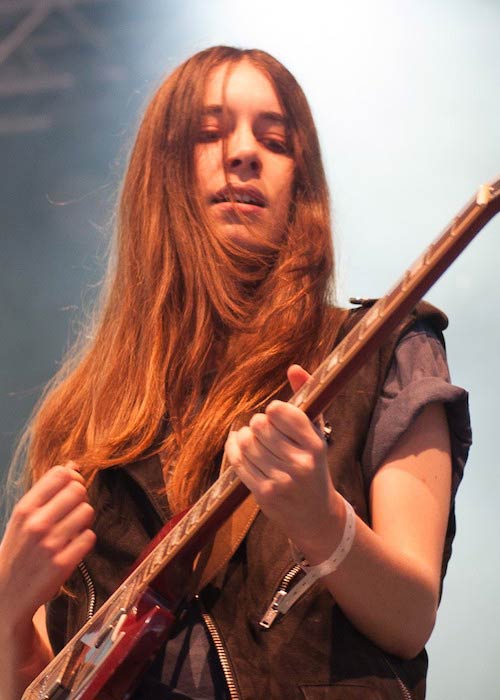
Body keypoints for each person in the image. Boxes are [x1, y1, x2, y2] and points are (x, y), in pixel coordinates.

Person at [0, 46, 470, 700]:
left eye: (274, 141)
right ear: (160, 173)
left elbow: (409, 619)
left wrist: (321, 520)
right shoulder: (83, 419)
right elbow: (51, 686)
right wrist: (6, 611)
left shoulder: (385, 350)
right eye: (209, 133)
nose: (244, 152)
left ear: (299, 184)